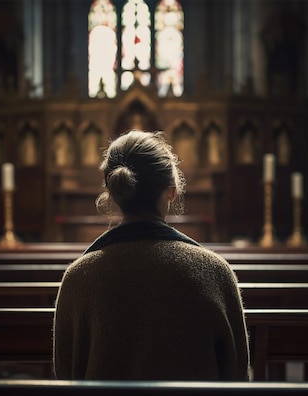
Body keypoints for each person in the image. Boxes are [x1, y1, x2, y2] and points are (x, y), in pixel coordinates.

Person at [53, 130, 251, 381]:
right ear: (172, 191)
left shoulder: (78, 278)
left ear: (113, 191)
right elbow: (237, 380)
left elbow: (66, 384)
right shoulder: (215, 272)